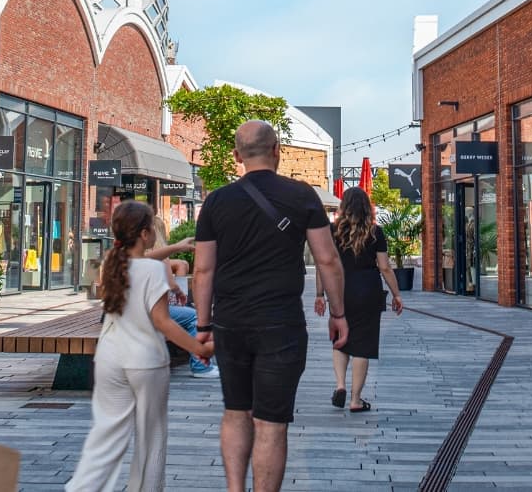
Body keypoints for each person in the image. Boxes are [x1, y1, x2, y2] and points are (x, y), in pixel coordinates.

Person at [193, 120, 348, 492]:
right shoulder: (302, 196)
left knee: (235, 412)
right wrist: (338, 314)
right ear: (277, 150)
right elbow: (327, 260)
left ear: (236, 156)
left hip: (230, 322)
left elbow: (203, 269)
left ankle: (235, 489)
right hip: (281, 323)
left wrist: (202, 325)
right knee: (271, 423)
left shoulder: (216, 201)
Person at [66, 200, 212, 492]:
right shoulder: (152, 271)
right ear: (145, 234)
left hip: (108, 359)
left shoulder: (110, 263)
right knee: (151, 437)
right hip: (145, 361)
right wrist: (200, 350)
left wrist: (173, 248)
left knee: (104, 436)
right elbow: (163, 322)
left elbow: (139, 260)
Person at [314, 187, 401, 412]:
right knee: (363, 345)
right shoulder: (375, 232)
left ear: (344, 206)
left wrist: (319, 294)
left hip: (339, 289)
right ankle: (355, 400)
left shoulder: (332, 231)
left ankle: (340, 385)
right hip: (368, 290)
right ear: (366, 207)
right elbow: (385, 267)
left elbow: (323, 264)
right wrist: (396, 294)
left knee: (340, 339)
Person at [144, 220, 217, 378]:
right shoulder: (158, 259)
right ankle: (200, 367)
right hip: (147, 313)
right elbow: (169, 288)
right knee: (193, 316)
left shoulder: (119, 259)